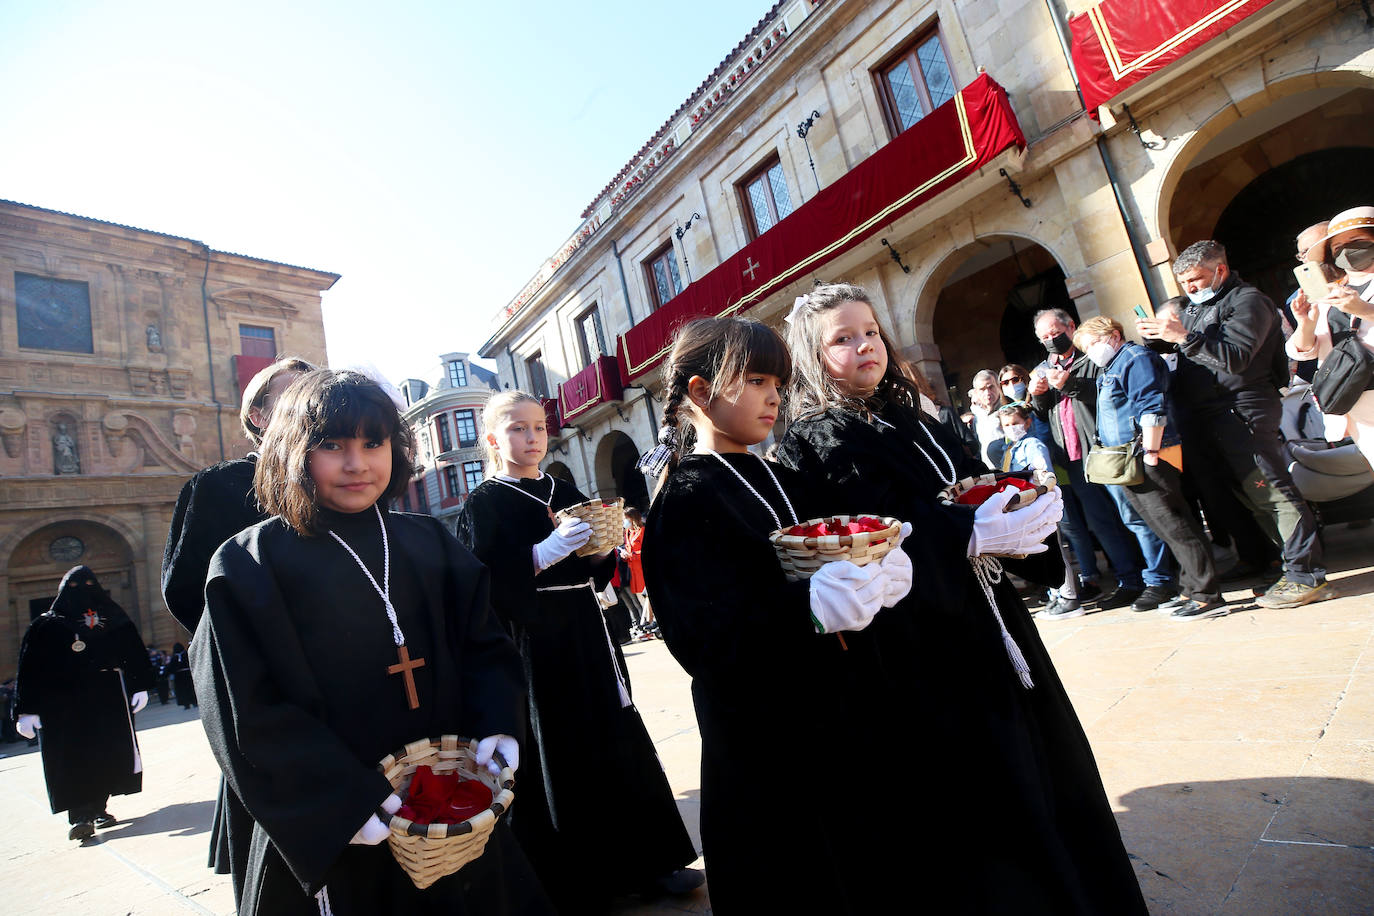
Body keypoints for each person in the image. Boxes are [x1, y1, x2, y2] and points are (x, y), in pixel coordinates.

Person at [777, 283, 1146, 913]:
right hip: (929, 645)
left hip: (991, 615)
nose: (864, 345)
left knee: (1042, 771)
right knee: (988, 796)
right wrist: (962, 535)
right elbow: (868, 540)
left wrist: (1014, 506)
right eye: (842, 338)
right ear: (813, 356)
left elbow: (966, 483)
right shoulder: (813, 443)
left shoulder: (910, 418)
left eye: (869, 331)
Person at [192, 369, 550, 915]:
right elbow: (246, 711)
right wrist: (339, 803)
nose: (357, 463)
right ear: (291, 450)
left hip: (446, 806)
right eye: (331, 445)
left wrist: (497, 718)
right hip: (346, 823)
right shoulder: (247, 565)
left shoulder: (428, 541)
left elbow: (485, 644)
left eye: (373, 442)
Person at [640, 316, 911, 913]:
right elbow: (701, 636)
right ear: (702, 393)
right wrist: (806, 610)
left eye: (780, 383)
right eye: (757, 379)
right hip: (763, 738)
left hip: (840, 708)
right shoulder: (684, 498)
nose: (774, 396)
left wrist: (879, 576)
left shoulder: (788, 475)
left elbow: (842, 552)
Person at [456, 391, 701, 911]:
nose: (531, 438)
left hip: (588, 630)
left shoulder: (561, 488)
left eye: (539, 428)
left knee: (617, 737)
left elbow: (591, 569)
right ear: (494, 438)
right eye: (518, 429)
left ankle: (650, 862)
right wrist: (542, 554)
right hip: (537, 641)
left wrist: (601, 551)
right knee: (561, 750)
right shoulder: (485, 501)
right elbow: (485, 584)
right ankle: (579, 878)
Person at [161, 356, 313, 904]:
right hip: (261, 684)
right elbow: (185, 587)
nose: (304, 408)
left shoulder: (338, 476)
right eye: (288, 397)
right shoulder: (220, 486)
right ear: (256, 415)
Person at [1140, 240, 1333, 609]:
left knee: (1272, 490)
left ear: (1220, 270)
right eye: (1184, 284)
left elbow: (1236, 357)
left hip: (1244, 407)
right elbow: (1188, 355)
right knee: (1253, 496)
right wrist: (1160, 339)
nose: (1190, 289)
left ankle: (1307, 574)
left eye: (1196, 280)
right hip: (1210, 414)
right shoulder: (1197, 309)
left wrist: (1182, 336)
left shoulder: (1249, 302)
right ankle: (1286, 565)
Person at [1075, 317, 1224, 619]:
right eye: (1086, 348)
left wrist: (1152, 453)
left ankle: (1206, 594)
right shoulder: (1112, 366)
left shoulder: (1135, 358)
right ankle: (1191, 587)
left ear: (1114, 335)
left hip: (1147, 454)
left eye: (1093, 343)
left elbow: (1150, 405)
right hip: (1128, 459)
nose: (1091, 352)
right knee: (1161, 526)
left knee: (1175, 523)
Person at [14, 566, 153, 841]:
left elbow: (132, 651)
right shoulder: (45, 625)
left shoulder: (112, 617)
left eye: (90, 584)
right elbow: (29, 668)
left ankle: (99, 808)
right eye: (76, 587)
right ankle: (80, 815)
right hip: (62, 703)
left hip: (106, 697)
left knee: (105, 753)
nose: (84, 592)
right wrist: (25, 709)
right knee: (71, 757)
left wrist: (141, 685)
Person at [1028, 308, 1146, 617]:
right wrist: (1039, 395)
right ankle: (1128, 578)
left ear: (1070, 327)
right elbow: (1043, 414)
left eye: (1055, 333)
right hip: (1072, 458)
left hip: (1104, 450)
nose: (1051, 340)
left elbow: (1105, 397)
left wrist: (1068, 383)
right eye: (1044, 337)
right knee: (1100, 523)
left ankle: (1144, 576)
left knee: (1129, 516)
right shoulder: (1044, 368)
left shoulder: (1091, 356)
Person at [1288, 206, 1374, 478]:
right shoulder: (1330, 292)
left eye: (1355, 241)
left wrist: (1364, 310)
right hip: (1354, 407)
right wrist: (1306, 323)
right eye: (1337, 247)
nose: (1346, 251)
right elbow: (1303, 352)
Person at [620, 507, 656, 638]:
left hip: (642, 569)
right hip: (633, 571)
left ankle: (650, 623)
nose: (624, 522)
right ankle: (647, 626)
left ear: (632, 518)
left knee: (648, 599)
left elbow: (648, 550)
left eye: (626, 519)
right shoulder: (628, 533)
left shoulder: (643, 531)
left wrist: (632, 554)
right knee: (641, 600)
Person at [968, 368, 1006, 464]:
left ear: (998, 386)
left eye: (991, 387)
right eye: (982, 389)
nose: (987, 393)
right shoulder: (977, 416)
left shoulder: (1009, 410)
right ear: (976, 392)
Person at [169, 642, 196, 708]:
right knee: (190, 689)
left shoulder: (174, 657)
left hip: (180, 676)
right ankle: (192, 702)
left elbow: (170, 667)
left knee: (183, 691)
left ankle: (187, 704)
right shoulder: (186, 654)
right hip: (186, 675)